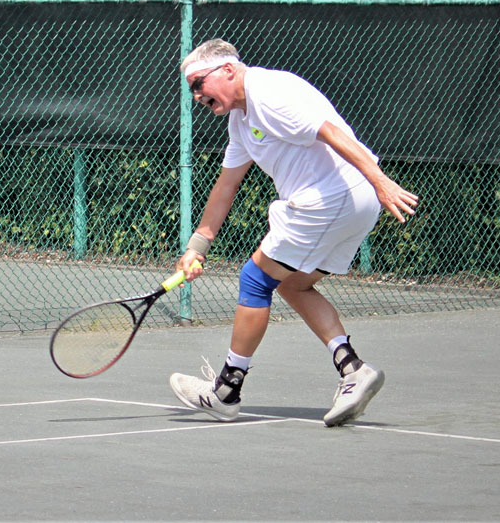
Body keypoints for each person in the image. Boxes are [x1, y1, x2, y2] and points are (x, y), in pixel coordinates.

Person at [169, 39, 419, 426]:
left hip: (330, 198)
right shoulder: (241, 120)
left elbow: (330, 132)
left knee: (256, 279)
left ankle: (226, 391)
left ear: (228, 70)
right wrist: (197, 246)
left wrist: (381, 181)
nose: (196, 95)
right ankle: (353, 369)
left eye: (199, 83)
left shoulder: (269, 93)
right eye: (192, 89)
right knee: (293, 285)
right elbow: (226, 185)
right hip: (352, 202)